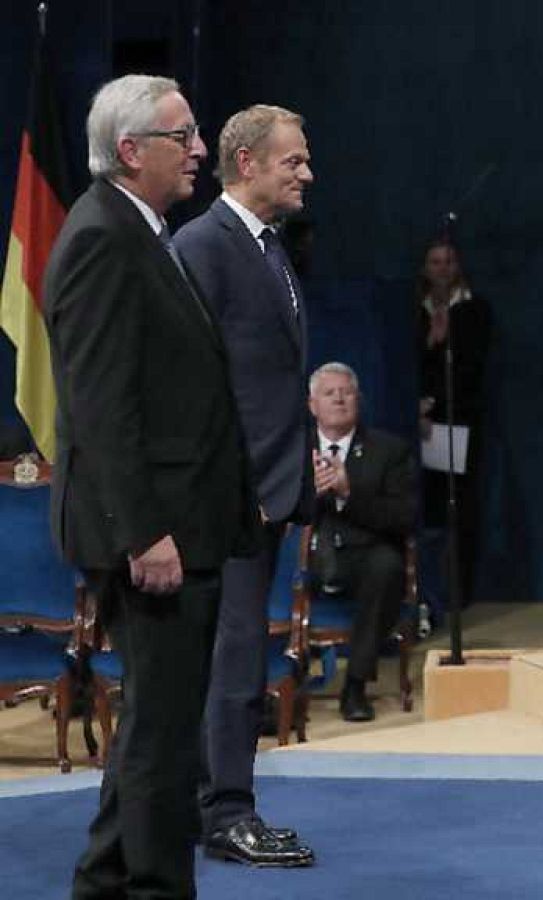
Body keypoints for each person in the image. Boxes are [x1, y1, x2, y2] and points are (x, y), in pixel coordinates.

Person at [44, 74, 254, 899]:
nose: (201, 150)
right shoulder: (103, 236)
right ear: (131, 152)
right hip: (153, 535)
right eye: (185, 136)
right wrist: (144, 533)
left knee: (153, 729)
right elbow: (101, 408)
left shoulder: (139, 228)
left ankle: (103, 884)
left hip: (176, 525)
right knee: (164, 741)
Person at [173, 103, 317, 868]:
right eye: (293, 160)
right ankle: (225, 812)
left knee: (237, 656)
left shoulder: (265, 247)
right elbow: (195, 387)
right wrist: (240, 485)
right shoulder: (205, 246)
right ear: (248, 163)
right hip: (228, 499)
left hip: (266, 491)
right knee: (232, 660)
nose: (307, 173)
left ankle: (214, 802)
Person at [305, 362, 416, 722]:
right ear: (312, 405)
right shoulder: (292, 450)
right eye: (329, 392)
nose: (338, 398)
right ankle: (268, 687)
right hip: (307, 559)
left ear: (359, 400)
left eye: (346, 392)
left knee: (387, 566)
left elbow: (404, 517)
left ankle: (354, 685)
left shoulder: (389, 450)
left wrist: (348, 493)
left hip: (363, 557)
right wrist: (309, 492)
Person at [416, 238, 489, 616]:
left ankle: (460, 593)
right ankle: (427, 593)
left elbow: (471, 370)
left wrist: (439, 405)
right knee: (426, 511)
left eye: (449, 261)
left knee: (461, 510)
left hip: (460, 426)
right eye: (435, 261)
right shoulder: (414, 312)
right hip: (420, 425)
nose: (442, 269)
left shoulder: (474, 310)